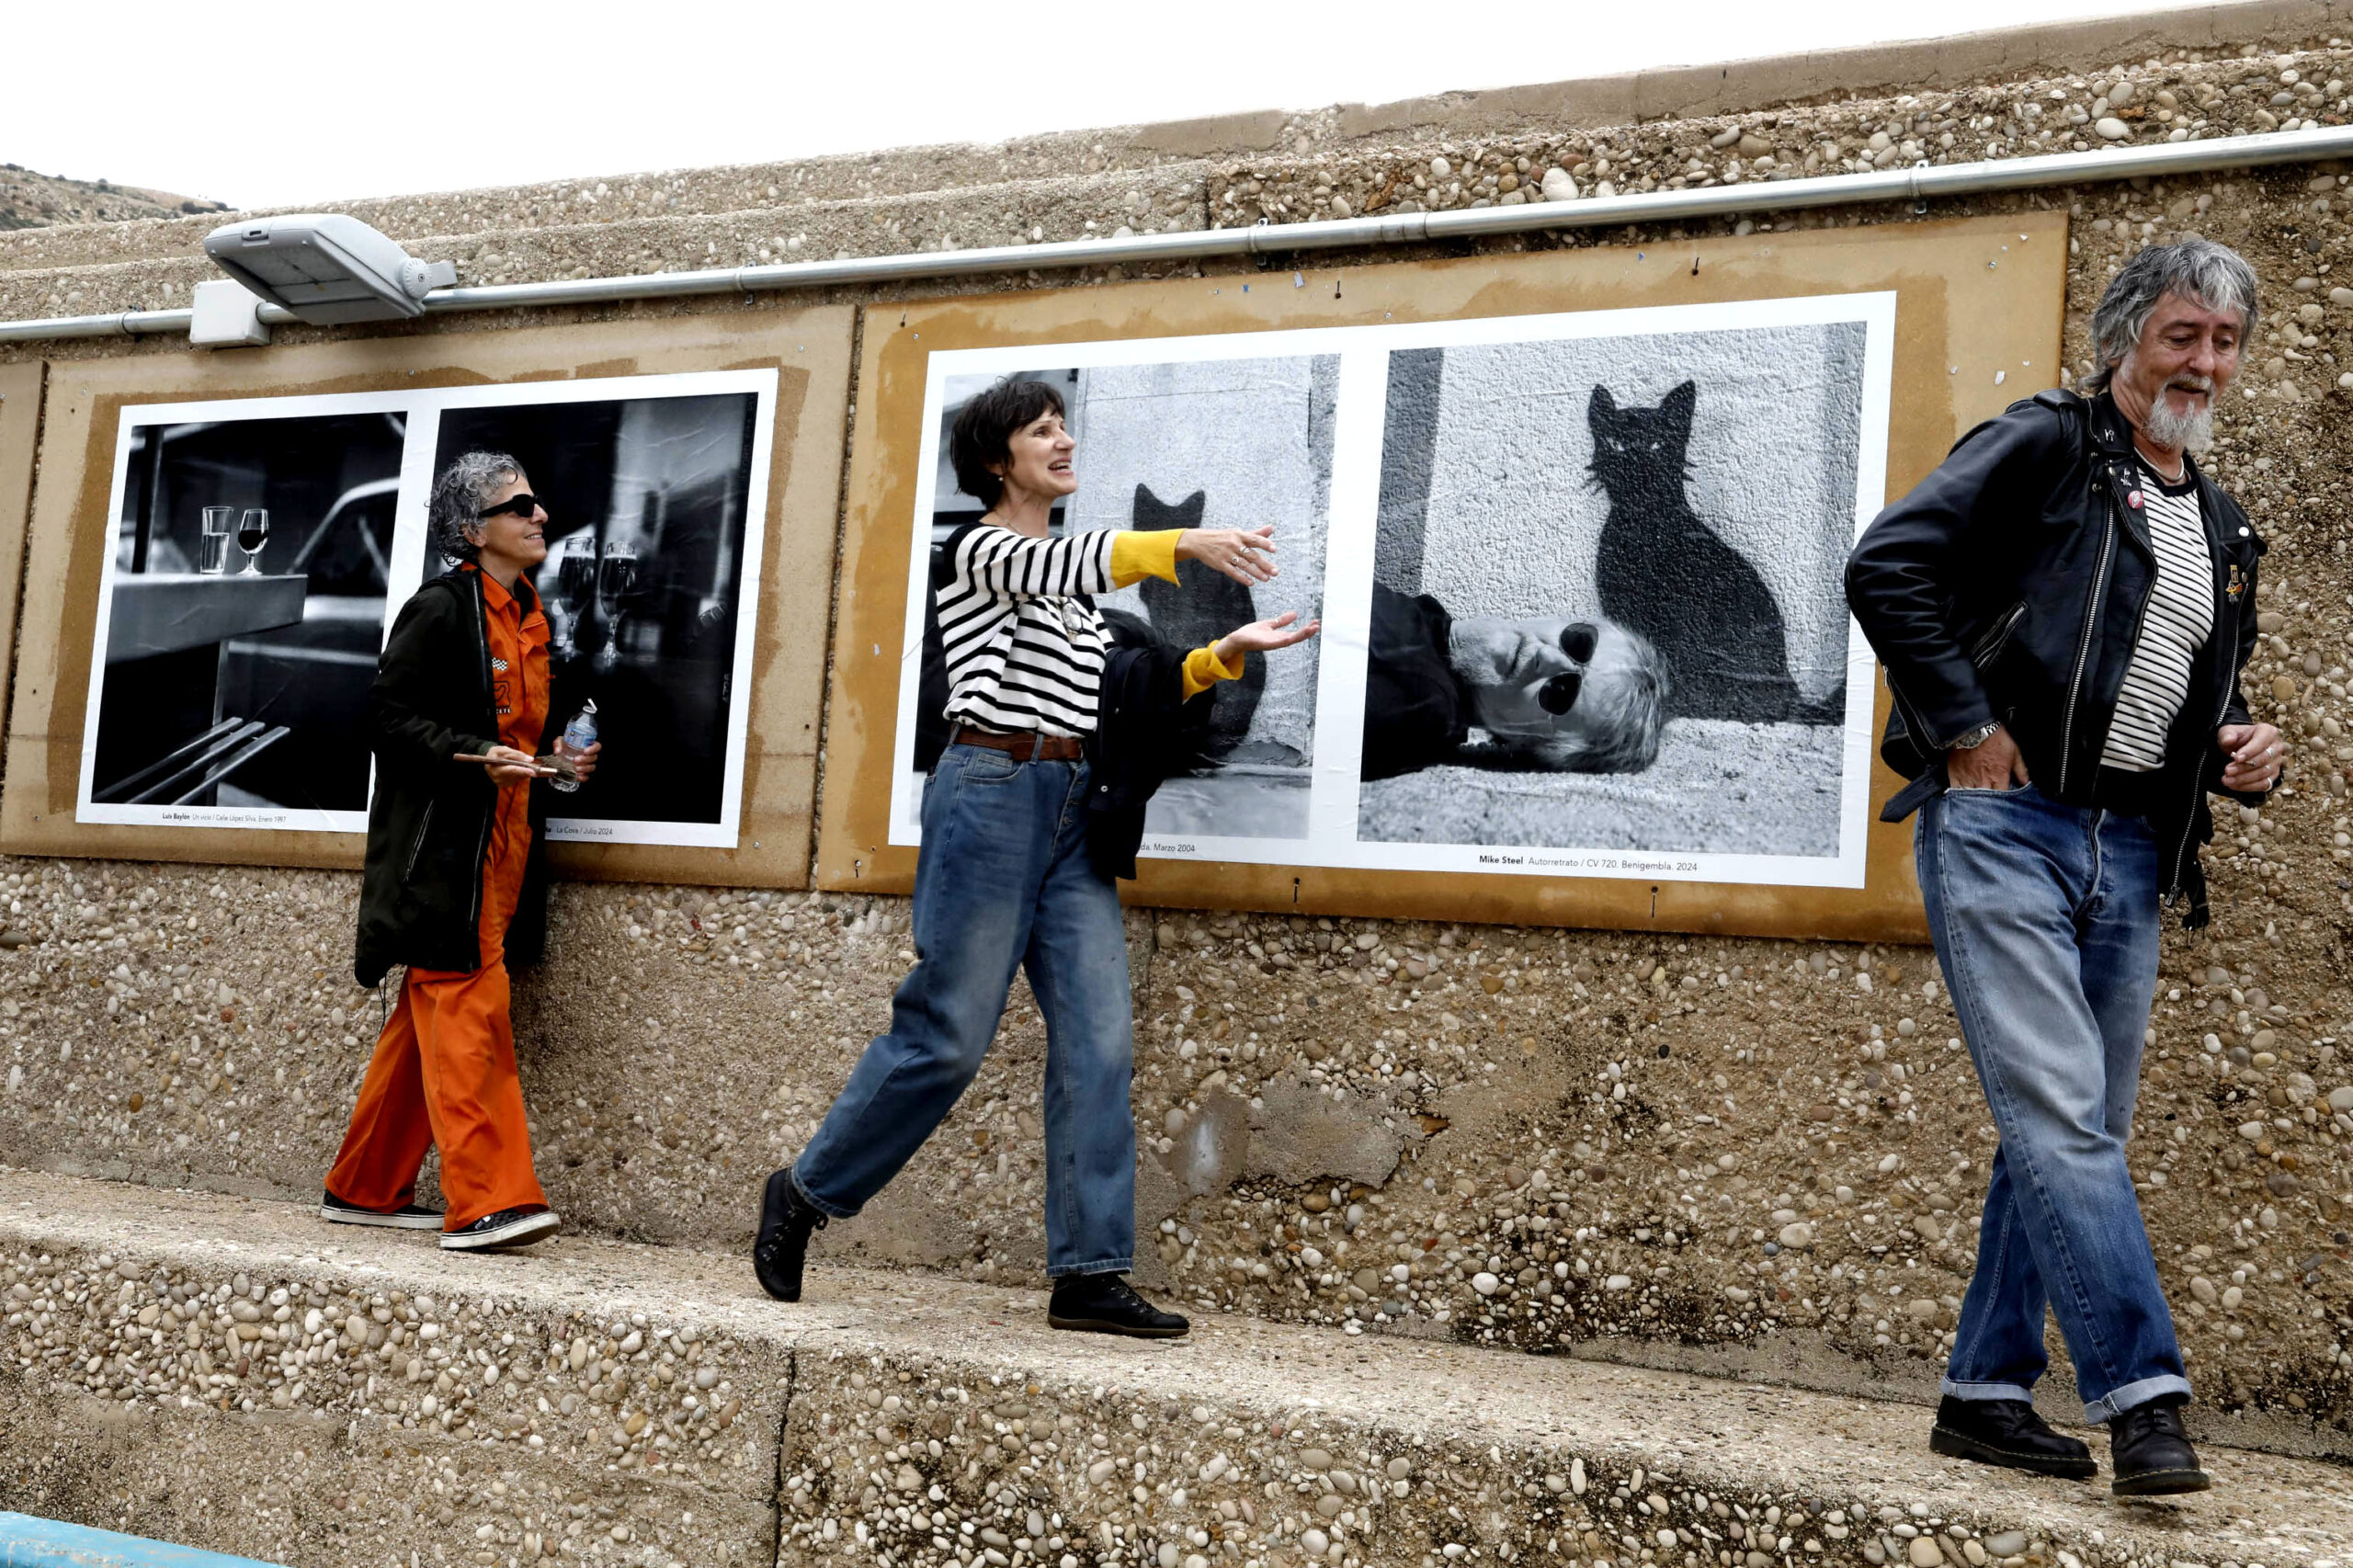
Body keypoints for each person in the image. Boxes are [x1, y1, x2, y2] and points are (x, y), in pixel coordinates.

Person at [1845, 239, 2282, 1496]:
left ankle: (1984, 1390)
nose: (2202, 360)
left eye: (2225, 340)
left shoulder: (2218, 518)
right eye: (2182, 334)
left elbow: (2179, 683)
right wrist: (1966, 727)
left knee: (2070, 1128)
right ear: (2125, 339)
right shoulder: (2044, 444)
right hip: (2009, 827)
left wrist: (2248, 749)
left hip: (2132, 847)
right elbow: (1889, 566)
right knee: (2060, 1118)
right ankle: (2144, 1396)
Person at [753, 377, 1318, 1335]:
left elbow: (1121, 693)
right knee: (946, 1037)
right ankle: (804, 1190)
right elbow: (1060, 569)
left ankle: (1088, 1274)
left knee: (1099, 1045)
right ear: (993, 459)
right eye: (1039, 430)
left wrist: (1219, 652)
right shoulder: (979, 550)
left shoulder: (1069, 584)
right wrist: (1182, 542)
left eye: (1064, 425)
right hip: (989, 792)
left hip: (1069, 809)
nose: (1062, 440)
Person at [324, 451, 602, 1252]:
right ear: (472, 531)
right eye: (519, 505)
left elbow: (513, 733)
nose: (538, 514)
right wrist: (475, 750)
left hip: (504, 846)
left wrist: (554, 758)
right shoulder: (442, 609)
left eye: (536, 501)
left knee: (433, 1013)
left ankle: (365, 1185)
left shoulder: (527, 614)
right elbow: (386, 718)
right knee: (469, 1004)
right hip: (445, 854)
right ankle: (488, 1199)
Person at [1361, 580, 1668, 779]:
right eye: (1578, 643)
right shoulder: (1426, 633)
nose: (1548, 658)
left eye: (1561, 692)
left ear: (1533, 744)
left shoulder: (1421, 705)